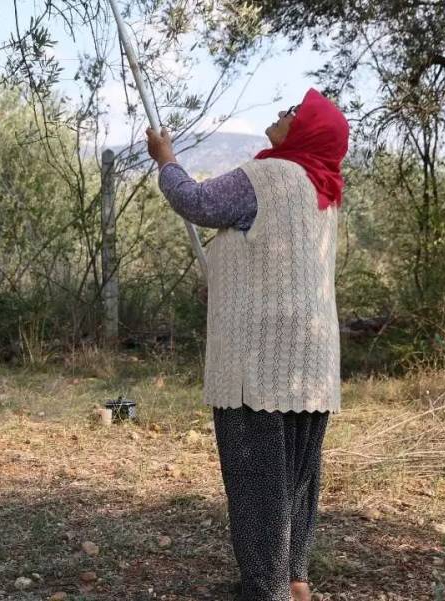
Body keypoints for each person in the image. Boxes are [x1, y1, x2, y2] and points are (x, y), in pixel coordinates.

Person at [146, 88, 350, 601]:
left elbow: (196, 202)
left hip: (258, 362)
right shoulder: (323, 188)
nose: (282, 113)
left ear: (307, 131)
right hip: (309, 363)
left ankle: (266, 591)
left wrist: (166, 160)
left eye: (294, 112)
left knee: (258, 484)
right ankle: (294, 580)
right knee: (295, 478)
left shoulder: (269, 176)